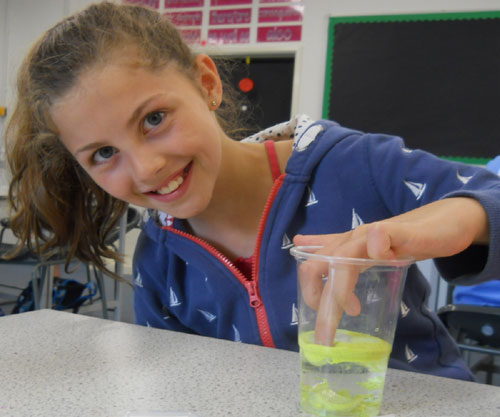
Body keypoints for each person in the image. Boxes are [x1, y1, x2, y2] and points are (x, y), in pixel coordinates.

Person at [4, 1, 500, 382]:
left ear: (206, 84)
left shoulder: (353, 165)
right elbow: (184, 384)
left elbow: (490, 197)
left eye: (154, 120)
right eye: (103, 154)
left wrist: (426, 226)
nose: (148, 167)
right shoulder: (160, 257)